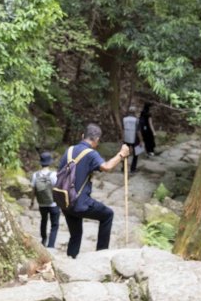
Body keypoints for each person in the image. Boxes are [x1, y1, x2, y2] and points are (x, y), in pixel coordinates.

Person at [59, 123, 130, 258]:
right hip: (80, 203)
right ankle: (101, 255)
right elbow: (107, 167)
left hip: (66, 201)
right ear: (96, 140)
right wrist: (121, 154)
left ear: (82, 136)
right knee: (107, 215)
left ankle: (70, 259)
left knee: (75, 234)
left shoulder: (69, 150)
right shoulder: (91, 154)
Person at [31, 151, 60, 249]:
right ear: (50, 162)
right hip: (53, 203)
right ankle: (51, 245)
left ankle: (43, 240)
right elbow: (57, 188)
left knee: (43, 221)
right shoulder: (53, 174)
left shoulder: (35, 175)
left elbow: (33, 190)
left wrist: (32, 202)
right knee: (54, 224)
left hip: (41, 203)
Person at [122, 104, 141, 173]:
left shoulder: (124, 119)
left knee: (124, 153)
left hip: (126, 138)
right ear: (134, 112)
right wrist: (141, 140)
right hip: (134, 138)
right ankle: (133, 169)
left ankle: (123, 168)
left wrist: (122, 138)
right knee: (136, 154)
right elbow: (138, 131)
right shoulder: (136, 120)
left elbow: (123, 129)